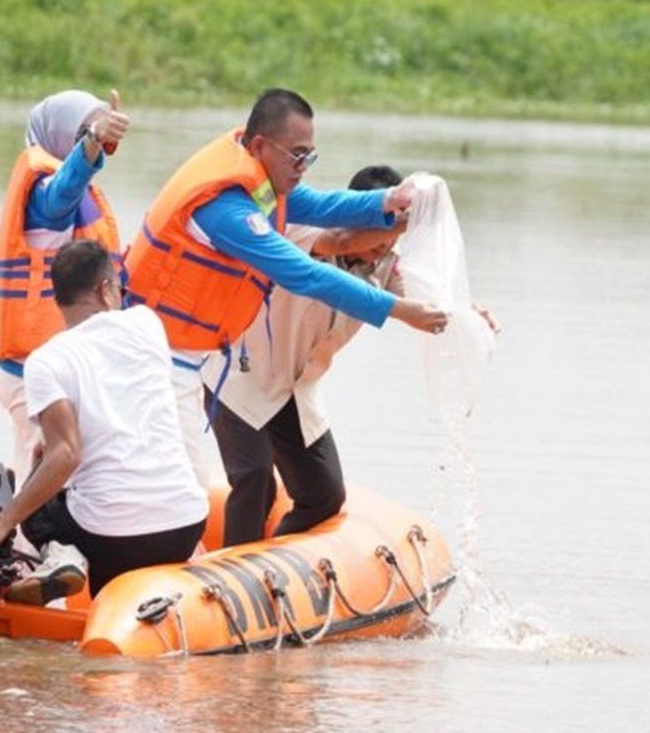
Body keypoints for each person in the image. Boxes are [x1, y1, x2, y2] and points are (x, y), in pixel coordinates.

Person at [123, 89, 449, 485]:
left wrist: (393, 198)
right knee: (181, 489)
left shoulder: (260, 181)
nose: (303, 167)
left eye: (310, 155)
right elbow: (306, 274)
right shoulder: (227, 208)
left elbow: (322, 205)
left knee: (180, 485)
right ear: (260, 145)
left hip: (186, 356)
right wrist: (398, 311)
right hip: (155, 357)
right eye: (298, 155)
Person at [201, 165, 500, 546]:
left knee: (324, 496)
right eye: (380, 232)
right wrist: (407, 223)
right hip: (239, 376)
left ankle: (267, 567)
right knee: (255, 479)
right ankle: (233, 581)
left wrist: (467, 316)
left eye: (391, 241)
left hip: (295, 390)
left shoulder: (387, 262)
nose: (384, 247)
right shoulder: (301, 233)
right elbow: (340, 241)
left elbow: (424, 301)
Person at [0, 240, 209, 602]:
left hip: (111, 539)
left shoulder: (46, 362)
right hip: (184, 526)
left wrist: (2, 523)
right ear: (105, 289)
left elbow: (65, 455)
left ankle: (64, 555)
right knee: (55, 464)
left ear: (58, 298)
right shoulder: (148, 324)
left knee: (37, 477)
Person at [0, 89, 129, 489]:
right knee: (48, 472)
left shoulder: (78, 195)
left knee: (50, 464)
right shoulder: (42, 197)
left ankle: (16, 539)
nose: (101, 142)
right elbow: (62, 193)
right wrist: (90, 145)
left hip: (61, 363)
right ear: (61, 134)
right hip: (31, 368)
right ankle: (19, 545)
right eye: (87, 132)